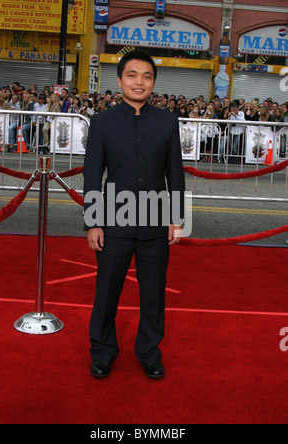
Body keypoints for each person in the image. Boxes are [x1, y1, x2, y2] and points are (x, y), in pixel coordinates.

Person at [83, 50, 185, 380]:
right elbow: (92, 174)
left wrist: (178, 217)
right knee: (106, 291)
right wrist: (92, 221)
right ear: (119, 80)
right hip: (113, 222)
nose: (138, 82)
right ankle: (102, 350)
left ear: (153, 83)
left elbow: (176, 173)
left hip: (156, 221)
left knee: (153, 293)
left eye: (146, 76)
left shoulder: (168, 121)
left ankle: (149, 352)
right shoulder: (102, 122)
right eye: (132, 75)